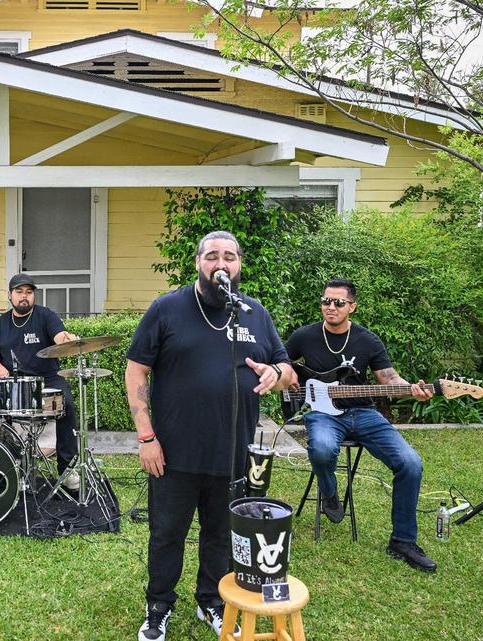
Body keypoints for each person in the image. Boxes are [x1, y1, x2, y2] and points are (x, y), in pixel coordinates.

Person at [125, 231, 294, 641]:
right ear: (198, 263)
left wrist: (276, 375)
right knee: (167, 534)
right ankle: (158, 606)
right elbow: (136, 370)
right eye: (213, 256)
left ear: (239, 265)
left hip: (232, 452)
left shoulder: (255, 313)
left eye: (230, 257)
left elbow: (287, 371)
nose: (222, 264)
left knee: (221, 534)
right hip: (174, 453)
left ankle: (212, 601)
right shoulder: (167, 309)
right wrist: (147, 438)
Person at [285, 278, 436, 572]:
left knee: (410, 463)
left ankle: (402, 541)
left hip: (363, 413)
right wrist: (287, 374)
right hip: (322, 413)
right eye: (326, 301)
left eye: (338, 302)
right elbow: (278, 359)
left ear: (352, 307)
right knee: (323, 449)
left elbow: (389, 379)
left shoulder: (368, 340)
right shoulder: (304, 336)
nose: (331, 307)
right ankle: (329, 492)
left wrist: (411, 389)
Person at [0, 274, 80, 487]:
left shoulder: (46, 316)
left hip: (48, 379)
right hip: (15, 382)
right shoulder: (0, 324)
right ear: (10, 295)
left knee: (68, 407)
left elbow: (60, 338)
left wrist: (69, 339)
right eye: (19, 292)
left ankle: (67, 469)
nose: (24, 297)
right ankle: (8, 466)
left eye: (28, 292)